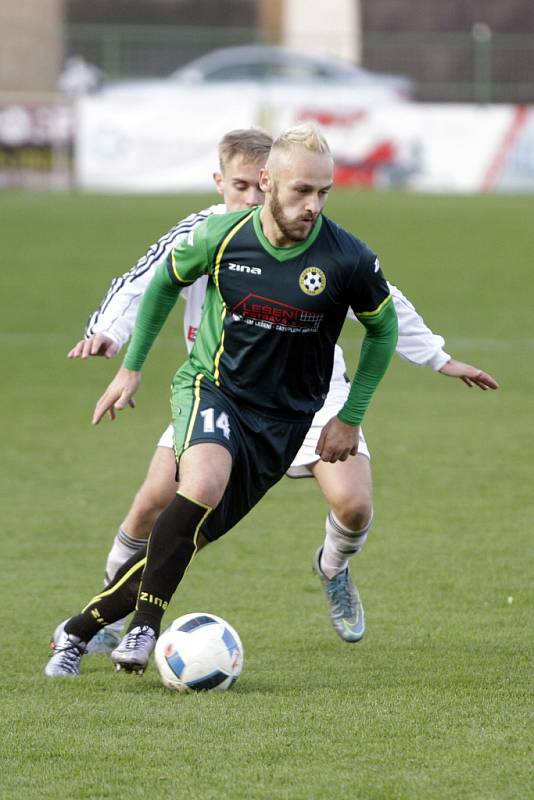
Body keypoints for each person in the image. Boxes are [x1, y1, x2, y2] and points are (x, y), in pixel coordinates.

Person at [48, 128, 499, 671]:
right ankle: (137, 625)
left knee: (301, 514)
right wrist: (123, 356)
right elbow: (153, 281)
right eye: (299, 191)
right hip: (214, 387)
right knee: (181, 491)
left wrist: (419, 370)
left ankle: (82, 628)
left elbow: (383, 317)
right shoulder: (214, 232)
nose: (311, 205)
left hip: (296, 409)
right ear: (258, 183)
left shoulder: (344, 256)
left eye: (323, 193)